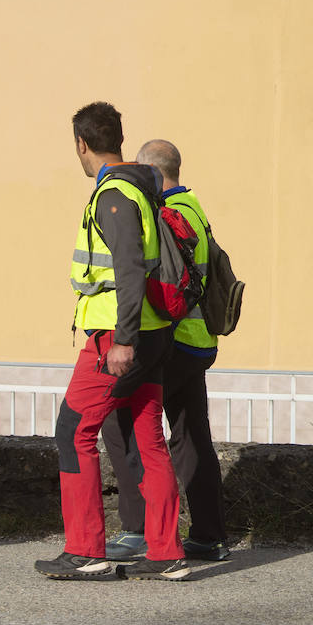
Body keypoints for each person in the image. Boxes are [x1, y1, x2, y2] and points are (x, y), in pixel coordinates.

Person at [35, 103, 189, 581]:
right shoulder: (140, 189)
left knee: (73, 432)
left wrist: (121, 341)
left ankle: (86, 551)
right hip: (153, 334)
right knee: (149, 440)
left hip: (118, 339)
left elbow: (127, 269)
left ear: (82, 144)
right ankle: (166, 555)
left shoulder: (114, 195)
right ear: (118, 138)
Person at [101, 140, 229, 563]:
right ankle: (209, 536)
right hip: (199, 342)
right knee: (191, 438)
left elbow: (159, 279)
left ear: (150, 169)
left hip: (172, 340)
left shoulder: (166, 211)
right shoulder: (194, 206)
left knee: (123, 421)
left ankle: (138, 529)